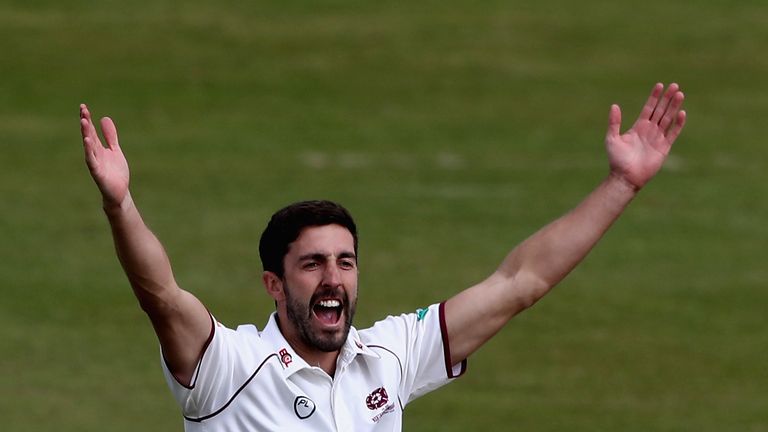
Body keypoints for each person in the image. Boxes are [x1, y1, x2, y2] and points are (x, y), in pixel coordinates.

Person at [79, 83, 686, 431]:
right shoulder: (229, 369)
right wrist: (120, 204)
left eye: (345, 261)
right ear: (273, 282)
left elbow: (520, 281)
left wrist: (620, 186)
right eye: (312, 263)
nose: (333, 279)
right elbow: (160, 293)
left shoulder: (389, 357)